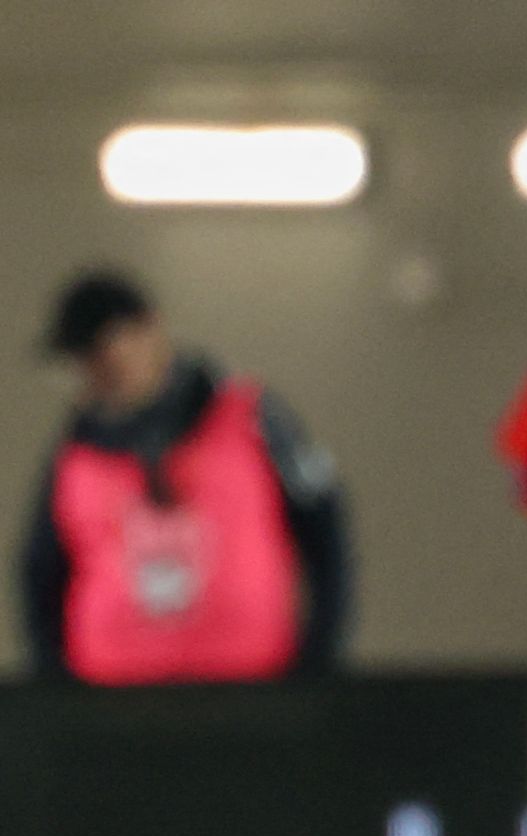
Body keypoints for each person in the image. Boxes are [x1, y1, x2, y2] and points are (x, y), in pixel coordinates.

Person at [18, 269, 350, 685]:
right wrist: (54, 684)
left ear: (150, 330)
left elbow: (326, 531)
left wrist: (319, 663)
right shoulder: (77, 449)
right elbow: (40, 569)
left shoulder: (250, 417)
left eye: (106, 348)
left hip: (250, 689)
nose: (99, 371)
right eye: (83, 359)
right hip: (112, 698)